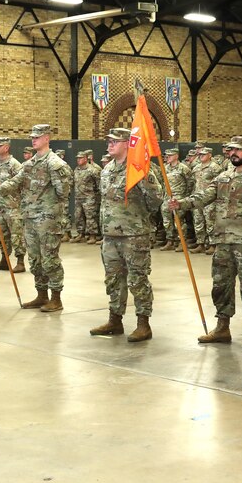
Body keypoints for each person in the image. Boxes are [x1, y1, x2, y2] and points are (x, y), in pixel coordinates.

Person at [170, 138, 242, 350]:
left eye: (238, 150)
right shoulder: (223, 177)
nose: (234, 153)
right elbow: (204, 196)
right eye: (231, 150)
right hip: (223, 241)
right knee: (221, 285)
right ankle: (223, 327)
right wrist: (181, 203)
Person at [0, 124, 72, 312]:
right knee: (35, 259)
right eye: (32, 137)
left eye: (37, 137)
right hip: (30, 218)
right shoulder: (30, 163)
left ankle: (56, 298)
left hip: (48, 220)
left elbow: (63, 192)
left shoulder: (55, 164)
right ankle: (41, 295)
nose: (34, 140)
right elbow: (16, 181)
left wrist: (51, 210)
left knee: (50, 259)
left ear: (47, 138)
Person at [89, 128, 164, 341]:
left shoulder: (139, 168)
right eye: (109, 141)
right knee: (113, 279)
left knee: (137, 279)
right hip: (110, 235)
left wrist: (138, 218)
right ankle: (115, 320)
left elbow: (156, 199)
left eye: (115, 141)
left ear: (127, 144)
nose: (109, 144)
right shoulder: (107, 170)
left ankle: (143, 323)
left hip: (134, 235)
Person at [0, 137, 26, 273]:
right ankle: (4, 260)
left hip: (12, 206)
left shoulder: (14, 164)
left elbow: (20, 183)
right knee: (2, 235)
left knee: (16, 234)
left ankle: (20, 262)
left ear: (7, 147)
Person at [159, 148, 191, 251]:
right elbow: (162, 182)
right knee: (167, 221)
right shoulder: (165, 168)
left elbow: (190, 183)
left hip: (179, 198)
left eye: (170, 155)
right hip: (167, 198)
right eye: (166, 155)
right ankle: (170, 241)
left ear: (176, 156)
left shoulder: (183, 168)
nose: (167, 157)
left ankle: (182, 242)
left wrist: (186, 197)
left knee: (179, 221)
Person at [72, 150, 101, 243]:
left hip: (89, 197)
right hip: (78, 197)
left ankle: (92, 235)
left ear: (85, 159)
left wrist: (94, 195)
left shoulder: (92, 170)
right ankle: (81, 234)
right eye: (77, 158)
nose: (78, 160)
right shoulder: (76, 169)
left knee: (90, 217)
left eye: (80, 158)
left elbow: (98, 184)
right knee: (78, 216)